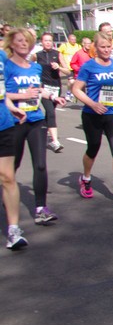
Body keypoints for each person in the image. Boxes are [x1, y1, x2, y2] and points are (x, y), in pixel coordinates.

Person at [3, 28, 67, 225]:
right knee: (13, 166)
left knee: (40, 164)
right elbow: (3, 93)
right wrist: (22, 96)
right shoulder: (7, 66)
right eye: (19, 41)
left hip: (36, 120)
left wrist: (53, 96)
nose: (24, 44)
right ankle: (7, 192)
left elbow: (38, 90)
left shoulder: (35, 67)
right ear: (11, 44)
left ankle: (41, 208)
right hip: (15, 122)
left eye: (27, 41)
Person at [71, 33, 113, 206]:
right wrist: (92, 104)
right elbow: (76, 89)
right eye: (103, 47)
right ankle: (85, 178)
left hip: (112, 114)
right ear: (96, 48)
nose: (107, 50)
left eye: (109, 47)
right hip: (92, 115)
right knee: (93, 148)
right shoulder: (89, 66)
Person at [1, 63, 28, 249]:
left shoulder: (2, 58)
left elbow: (3, 94)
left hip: (4, 124)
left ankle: (13, 231)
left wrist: (12, 108)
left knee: (8, 177)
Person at [32, 32, 65, 153]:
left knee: (49, 114)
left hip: (56, 87)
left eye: (50, 40)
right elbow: (28, 67)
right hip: (44, 88)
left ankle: (41, 134)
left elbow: (67, 71)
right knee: (50, 112)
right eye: (46, 40)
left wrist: (59, 67)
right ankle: (55, 141)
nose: (48, 43)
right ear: (42, 42)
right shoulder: (37, 55)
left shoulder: (57, 54)